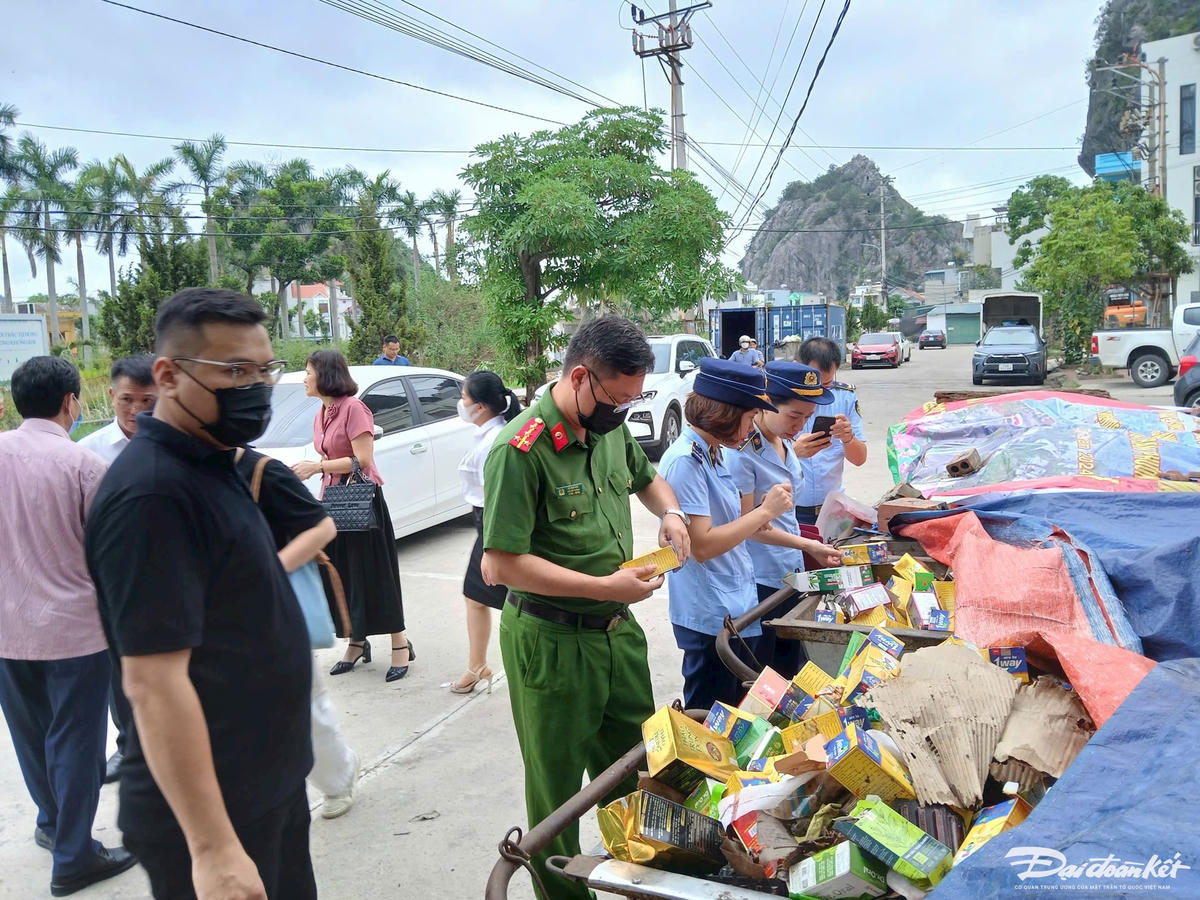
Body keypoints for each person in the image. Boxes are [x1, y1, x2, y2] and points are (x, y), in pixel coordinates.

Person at [85, 287, 315, 899]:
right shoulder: (153, 495)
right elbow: (154, 682)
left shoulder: (214, 463)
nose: (257, 387)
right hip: (216, 814)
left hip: (267, 785)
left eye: (265, 369)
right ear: (168, 374)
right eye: (234, 371)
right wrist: (212, 848)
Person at [481, 314, 692, 900]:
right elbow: (500, 564)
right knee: (557, 794)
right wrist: (603, 587)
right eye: (617, 398)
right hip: (550, 641)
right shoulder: (519, 451)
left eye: (634, 399)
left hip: (616, 633)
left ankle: (642, 883)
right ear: (580, 377)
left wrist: (669, 514)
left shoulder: (608, 430)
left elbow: (648, 480)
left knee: (635, 766)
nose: (623, 411)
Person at [0, 356, 137, 897]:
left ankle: (53, 824)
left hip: (8, 629)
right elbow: (111, 554)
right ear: (71, 403)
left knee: (31, 737)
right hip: (73, 632)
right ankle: (74, 857)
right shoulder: (82, 466)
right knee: (76, 743)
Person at [658, 357, 796, 710]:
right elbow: (702, 545)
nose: (751, 428)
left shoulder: (713, 453)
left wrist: (760, 517)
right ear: (726, 413)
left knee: (735, 711)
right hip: (709, 612)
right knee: (710, 716)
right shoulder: (687, 461)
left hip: (732, 602)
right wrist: (765, 512)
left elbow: (733, 526)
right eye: (749, 418)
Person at [233, 446, 360, 820]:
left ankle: (339, 777)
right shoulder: (182, 468)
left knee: (304, 705)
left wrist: (268, 572)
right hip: (217, 615)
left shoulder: (262, 470)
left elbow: (323, 527)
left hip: (273, 607)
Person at [291, 350, 413, 682]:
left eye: (307, 372)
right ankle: (357, 641)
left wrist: (316, 467)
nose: (304, 378)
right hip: (333, 501)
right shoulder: (322, 412)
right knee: (344, 574)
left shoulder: (354, 409)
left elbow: (362, 459)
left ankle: (399, 642)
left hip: (363, 501)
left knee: (376, 573)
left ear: (325, 375)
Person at [726, 362, 842, 676]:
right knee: (761, 672)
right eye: (794, 415)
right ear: (765, 403)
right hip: (760, 578)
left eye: (807, 417)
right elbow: (750, 527)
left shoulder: (786, 443)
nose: (801, 425)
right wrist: (809, 545)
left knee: (791, 668)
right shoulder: (742, 454)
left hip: (790, 571)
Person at [78, 354, 158, 785]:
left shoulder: (181, 445)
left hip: (168, 578)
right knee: (119, 674)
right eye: (127, 399)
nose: (136, 410)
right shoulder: (88, 453)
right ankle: (130, 747)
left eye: (148, 400)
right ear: (111, 396)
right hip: (112, 584)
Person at [451, 370, 522, 695]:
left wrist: (491, 546)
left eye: (464, 398)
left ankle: (504, 665)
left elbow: (498, 495)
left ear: (479, 406)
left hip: (495, 524)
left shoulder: (496, 439)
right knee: (475, 595)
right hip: (485, 521)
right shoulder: (487, 432)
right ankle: (477, 665)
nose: (461, 404)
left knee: (514, 599)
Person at [793, 337, 868, 525]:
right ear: (797, 367)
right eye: (815, 383)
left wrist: (848, 439)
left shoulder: (845, 398)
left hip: (832, 509)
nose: (820, 392)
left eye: (827, 384)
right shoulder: (780, 399)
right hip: (789, 510)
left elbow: (859, 459)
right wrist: (792, 452)